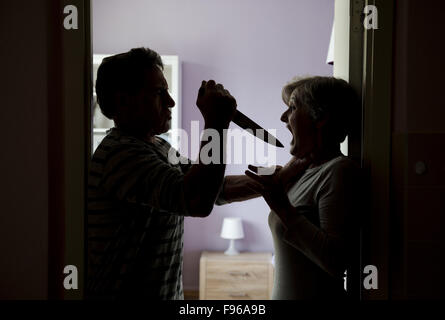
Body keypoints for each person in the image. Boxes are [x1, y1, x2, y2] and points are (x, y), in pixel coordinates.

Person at [86, 47, 238, 300]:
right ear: (123, 100)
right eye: (159, 92)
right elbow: (196, 200)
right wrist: (216, 124)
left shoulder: (156, 145)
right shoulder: (122, 154)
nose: (171, 101)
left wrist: (276, 181)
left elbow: (213, 188)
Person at [245, 76, 361, 299]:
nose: (283, 117)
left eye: (292, 107)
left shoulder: (340, 171)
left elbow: (336, 262)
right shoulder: (301, 172)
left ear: (321, 118)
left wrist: (282, 206)